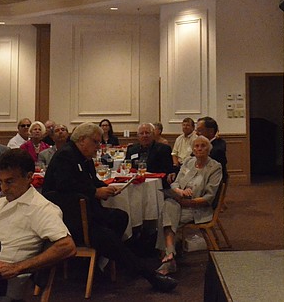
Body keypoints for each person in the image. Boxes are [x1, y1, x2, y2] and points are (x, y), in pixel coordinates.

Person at [43, 123, 177, 293]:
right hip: (70, 219)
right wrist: (95, 191)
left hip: (86, 211)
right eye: (95, 142)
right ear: (82, 140)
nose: (98, 147)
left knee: (120, 217)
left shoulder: (83, 157)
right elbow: (64, 186)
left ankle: (92, 263)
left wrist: (107, 187)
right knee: (109, 238)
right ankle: (149, 276)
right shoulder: (66, 156)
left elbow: (91, 180)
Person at [0, 149, 76, 300]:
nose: (3, 188)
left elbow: (67, 247)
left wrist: (17, 268)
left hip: (6, 283)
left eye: (9, 181)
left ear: (29, 177)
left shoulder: (41, 208)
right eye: (0, 181)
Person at [158, 135, 222, 275]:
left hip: (197, 208)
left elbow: (209, 197)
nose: (199, 149)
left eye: (203, 146)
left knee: (165, 217)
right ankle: (170, 254)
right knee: (168, 205)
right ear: (192, 149)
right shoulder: (188, 162)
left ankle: (168, 257)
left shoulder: (214, 167)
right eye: (196, 146)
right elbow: (175, 183)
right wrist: (179, 191)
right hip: (179, 202)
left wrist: (190, 202)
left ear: (209, 149)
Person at [196, 116, 227, 182]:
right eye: (196, 130)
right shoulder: (200, 144)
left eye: (199, 130)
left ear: (210, 131)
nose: (196, 133)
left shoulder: (217, 149)